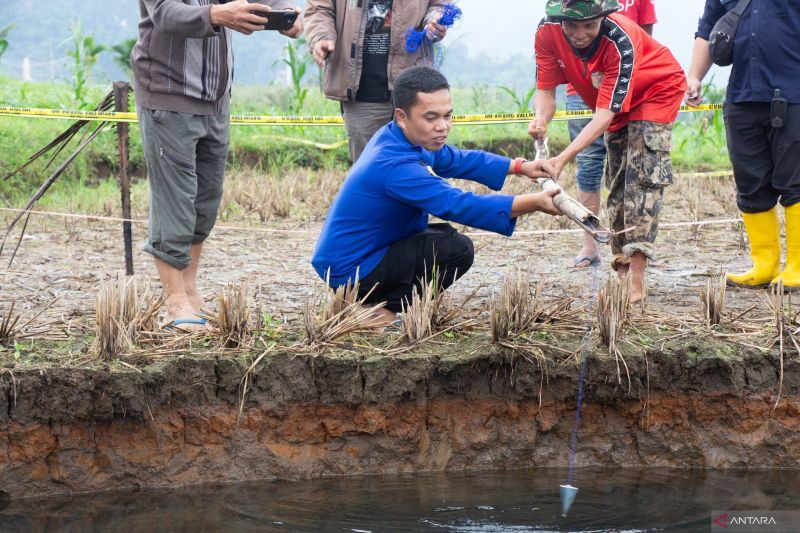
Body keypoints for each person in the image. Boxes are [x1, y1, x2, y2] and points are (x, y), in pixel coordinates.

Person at [311, 66, 562, 326]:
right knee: (455, 250)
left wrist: (520, 167)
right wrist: (535, 203)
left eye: (447, 116)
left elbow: (456, 159)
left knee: (442, 238)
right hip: (352, 269)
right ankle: (378, 310)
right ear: (401, 116)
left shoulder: (402, 137)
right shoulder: (394, 164)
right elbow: (456, 204)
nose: (442, 126)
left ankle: (373, 304)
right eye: (431, 117)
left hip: (363, 253)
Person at [131, 0, 302, 331]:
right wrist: (215, 15)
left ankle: (191, 289)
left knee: (205, 200)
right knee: (175, 200)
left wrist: (282, 14)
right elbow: (165, 13)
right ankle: (174, 300)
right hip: (168, 92)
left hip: (215, 97)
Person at [530, 0, 686, 304]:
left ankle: (637, 285)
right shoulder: (546, 32)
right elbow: (546, 91)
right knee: (615, 181)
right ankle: (621, 273)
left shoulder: (620, 39)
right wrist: (540, 119)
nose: (580, 34)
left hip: (655, 91)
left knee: (641, 180)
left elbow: (602, 117)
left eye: (589, 25)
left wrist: (562, 158)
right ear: (559, 20)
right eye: (571, 26)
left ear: (604, 17)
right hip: (613, 104)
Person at [687, 1, 800, 292]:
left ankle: (798, 267)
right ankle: (765, 265)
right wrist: (695, 77)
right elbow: (707, 29)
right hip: (742, 96)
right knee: (750, 182)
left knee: (796, 181)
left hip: (795, 94)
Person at [565, 0, 657, 268]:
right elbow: (566, 33)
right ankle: (589, 245)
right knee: (589, 164)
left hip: (628, 90)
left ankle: (636, 251)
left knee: (634, 170)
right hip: (581, 93)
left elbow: (645, 42)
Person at [305, 0, 450, 163]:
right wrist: (321, 36)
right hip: (361, 90)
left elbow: (439, 4)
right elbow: (319, 8)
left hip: (415, 91)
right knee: (368, 170)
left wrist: (435, 18)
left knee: (417, 170)